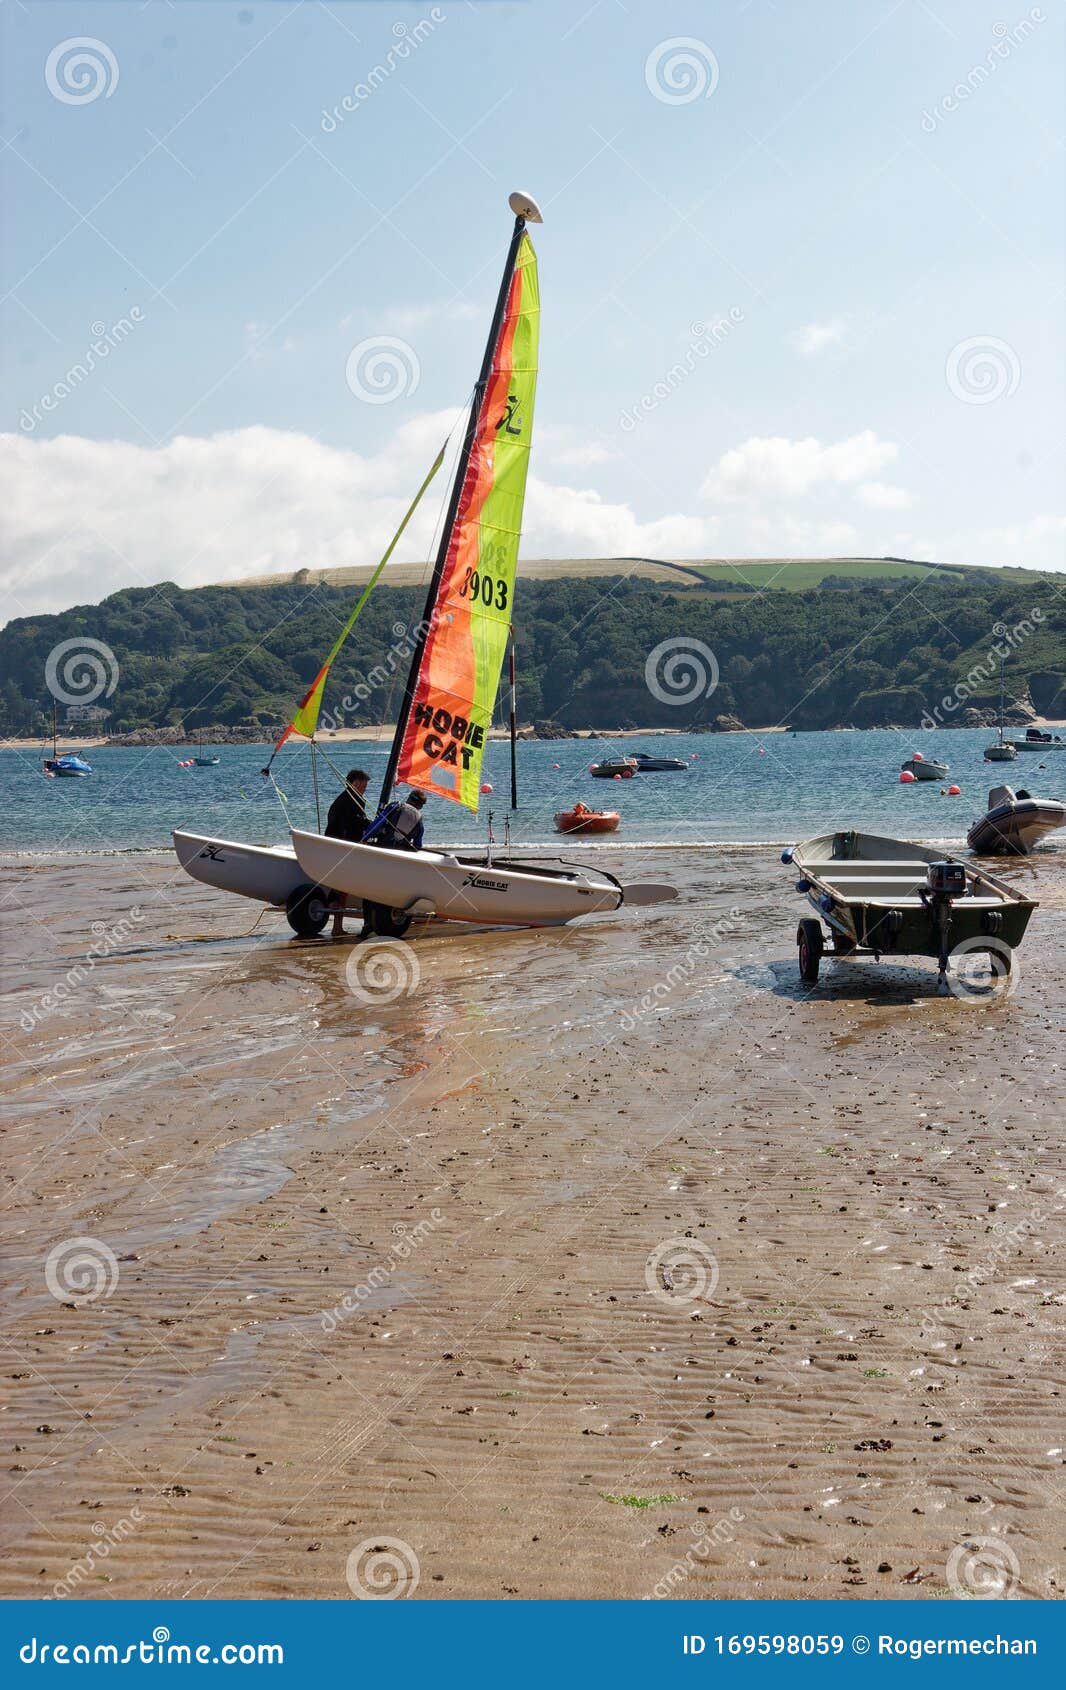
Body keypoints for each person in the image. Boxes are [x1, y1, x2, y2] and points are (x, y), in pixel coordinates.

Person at [357, 789, 427, 939]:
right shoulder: (419, 819)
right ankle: (387, 918)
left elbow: (377, 824)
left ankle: (367, 925)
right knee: (389, 888)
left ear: (409, 798)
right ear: (421, 806)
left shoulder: (396, 806)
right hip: (400, 860)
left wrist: (364, 839)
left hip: (383, 854)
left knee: (370, 889)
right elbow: (418, 846)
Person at [325, 769, 369, 938]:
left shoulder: (347, 799)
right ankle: (337, 927)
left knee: (339, 890)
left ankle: (338, 927)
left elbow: (355, 824)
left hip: (337, 848)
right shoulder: (350, 801)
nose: (365, 789)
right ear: (355, 783)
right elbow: (353, 825)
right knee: (341, 890)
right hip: (342, 850)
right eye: (363, 786)